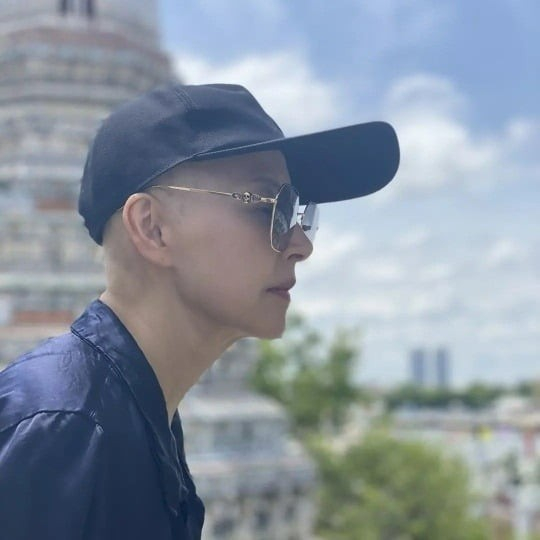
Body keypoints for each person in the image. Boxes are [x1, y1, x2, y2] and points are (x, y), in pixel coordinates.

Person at [0, 83, 399, 539]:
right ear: (152, 228)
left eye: (298, 211)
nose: (301, 245)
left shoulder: (132, 413)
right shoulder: (63, 426)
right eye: (269, 206)